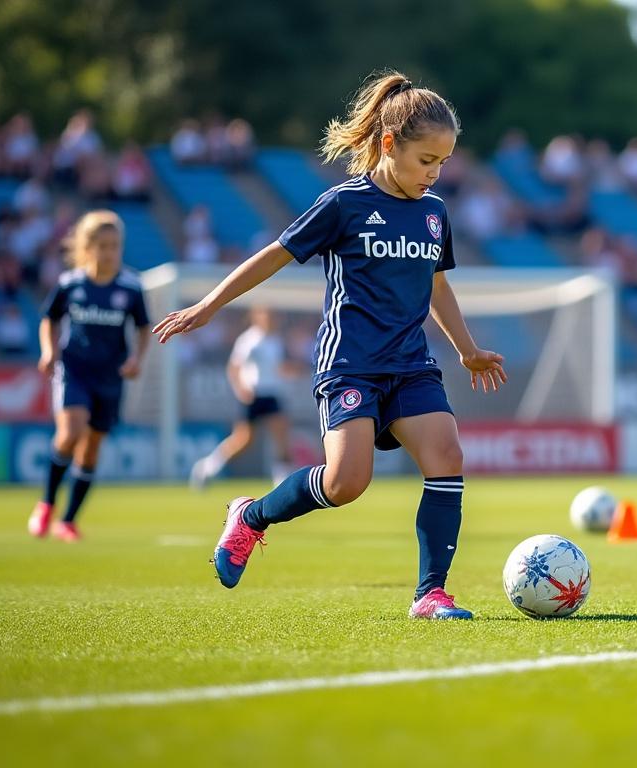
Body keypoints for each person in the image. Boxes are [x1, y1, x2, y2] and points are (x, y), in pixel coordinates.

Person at [152, 71, 506, 620]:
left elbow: (436, 283)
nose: (434, 174)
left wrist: (466, 348)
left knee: (447, 456)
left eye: (442, 163)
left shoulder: (435, 213)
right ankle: (251, 517)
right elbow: (273, 254)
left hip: (412, 365)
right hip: (350, 367)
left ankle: (430, 594)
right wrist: (209, 305)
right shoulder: (343, 204)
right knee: (346, 483)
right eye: (425, 160)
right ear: (389, 144)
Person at [29, 211, 150, 542]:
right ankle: (47, 502)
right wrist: (49, 351)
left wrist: (137, 357)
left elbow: (142, 327)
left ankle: (67, 521)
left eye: (115, 246)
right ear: (87, 247)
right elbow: (49, 320)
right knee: (70, 431)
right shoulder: (71, 284)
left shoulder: (130, 287)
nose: (109, 252)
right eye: (102, 245)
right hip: (74, 370)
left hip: (110, 376)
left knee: (92, 448)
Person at [190, 307, 294, 490]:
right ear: (257, 317)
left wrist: (291, 371)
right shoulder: (249, 340)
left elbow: (277, 367)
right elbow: (234, 367)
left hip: (272, 393)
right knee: (243, 440)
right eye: (267, 316)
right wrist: (240, 389)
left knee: (281, 435)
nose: (270, 320)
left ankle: (281, 481)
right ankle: (207, 468)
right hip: (253, 393)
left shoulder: (276, 340)